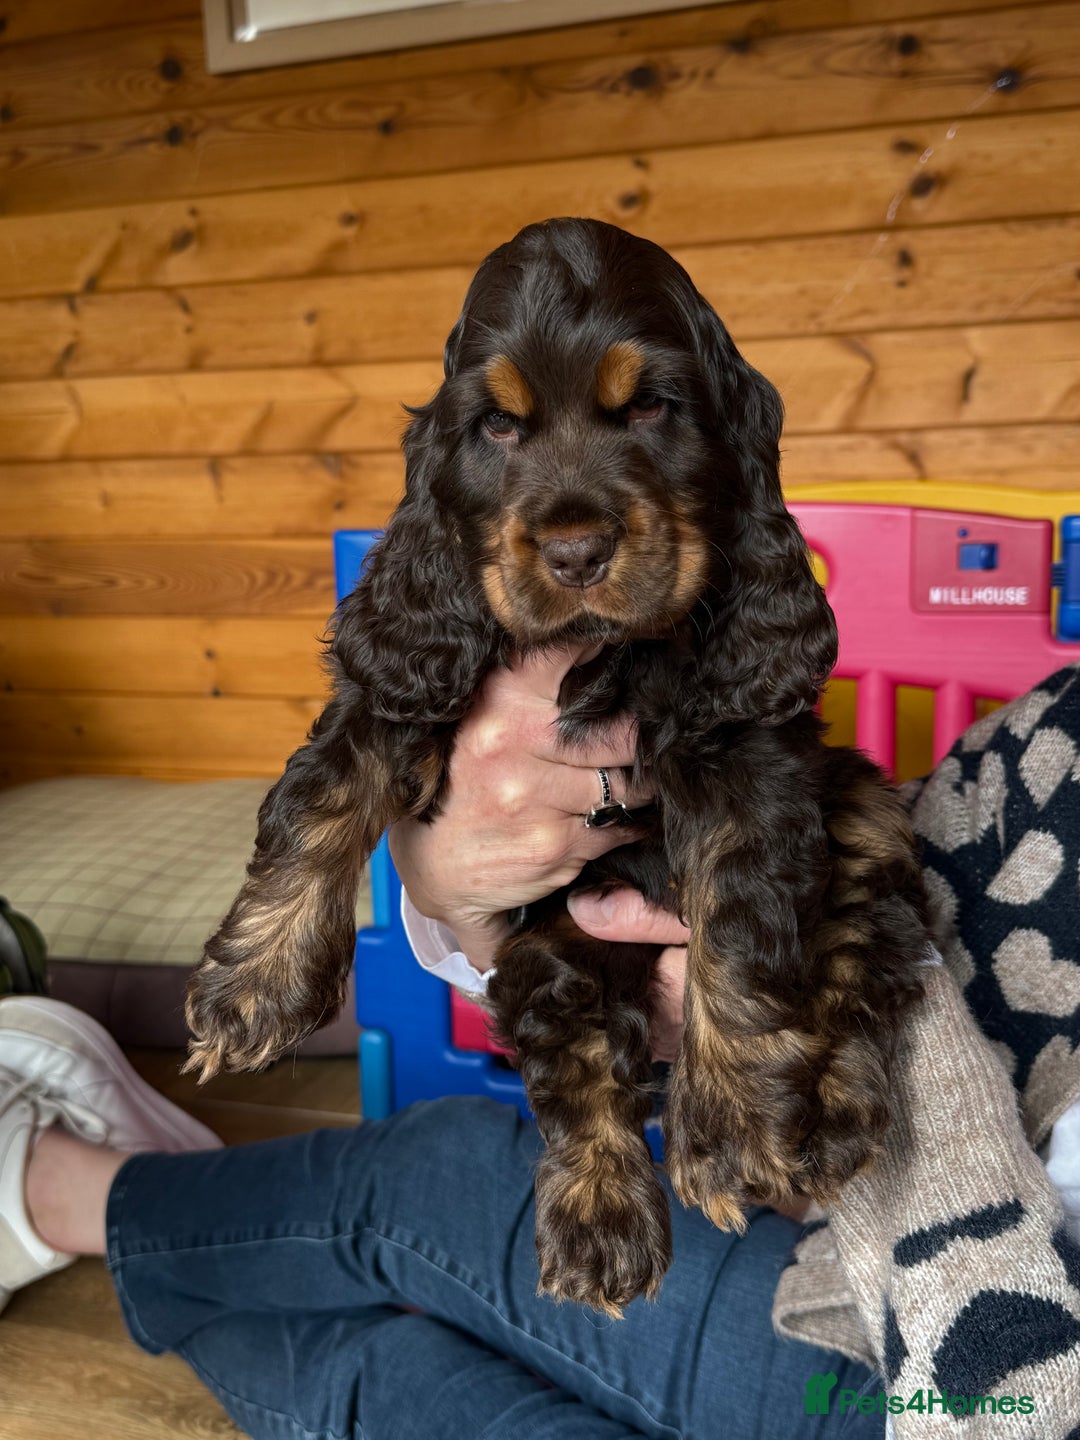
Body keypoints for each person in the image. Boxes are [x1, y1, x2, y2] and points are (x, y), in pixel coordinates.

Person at [3, 646, 1079, 1440]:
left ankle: (100, 1200)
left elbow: (1015, 1404)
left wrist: (859, 993)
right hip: (869, 1278)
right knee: (440, 1170)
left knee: (398, 1383)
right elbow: (900, 860)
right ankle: (102, 1197)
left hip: (967, 1390)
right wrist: (480, 895)